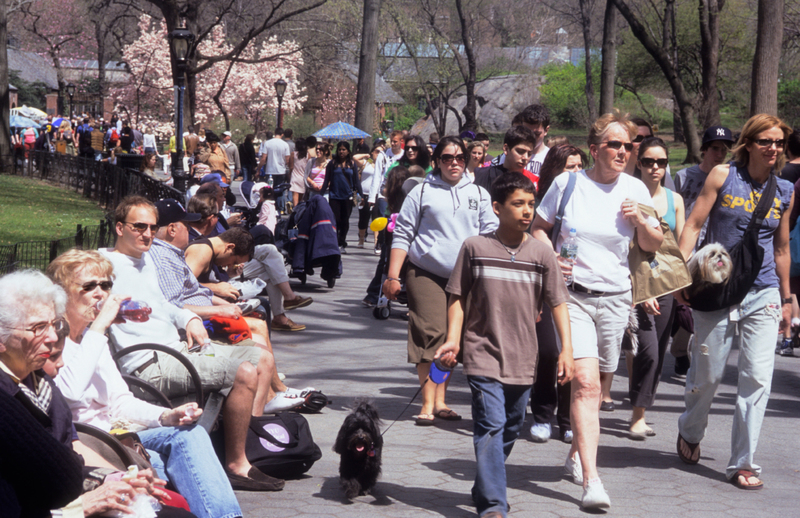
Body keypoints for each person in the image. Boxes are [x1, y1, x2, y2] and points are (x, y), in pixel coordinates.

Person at [98, 195, 288, 491]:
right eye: (138, 227)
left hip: (174, 349)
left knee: (260, 356)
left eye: (151, 227)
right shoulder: (104, 265)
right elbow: (85, 304)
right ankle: (237, 463)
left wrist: (189, 318)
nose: (147, 234)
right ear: (120, 228)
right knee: (246, 370)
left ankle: (247, 444)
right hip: (148, 363)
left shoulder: (145, 260)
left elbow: (164, 303)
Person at [46, 249, 245, 517]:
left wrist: (166, 415)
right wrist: (100, 327)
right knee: (170, 471)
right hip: (91, 448)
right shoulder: (55, 342)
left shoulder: (92, 338)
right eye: (88, 286)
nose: (100, 294)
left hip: (120, 436)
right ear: (61, 293)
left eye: (105, 285)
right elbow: (68, 393)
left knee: (190, 433)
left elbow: (120, 401)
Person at [531, 111, 663, 509]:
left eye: (628, 145)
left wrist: (640, 220)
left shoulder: (636, 187)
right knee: (586, 383)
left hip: (617, 299)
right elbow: (538, 227)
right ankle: (592, 480)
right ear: (595, 149)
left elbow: (655, 243)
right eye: (615, 145)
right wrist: (552, 256)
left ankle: (575, 455)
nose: (624, 151)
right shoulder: (568, 183)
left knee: (598, 385)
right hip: (572, 297)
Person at [434, 173, 573, 518]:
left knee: (511, 425)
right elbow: (457, 297)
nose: (527, 211)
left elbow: (558, 303)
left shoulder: (542, 254)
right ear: (497, 208)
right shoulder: (475, 247)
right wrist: (453, 338)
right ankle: (493, 504)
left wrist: (566, 349)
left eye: (531, 204)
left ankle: (485, 482)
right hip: (482, 353)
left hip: (524, 358)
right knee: (491, 425)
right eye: (518, 204)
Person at [0, 270, 193, 518]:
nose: (51, 337)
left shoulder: (39, 378)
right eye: (37, 328)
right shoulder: (7, 399)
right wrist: (79, 508)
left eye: (53, 324)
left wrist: (117, 478)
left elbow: (71, 448)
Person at [675, 114, 793, 491]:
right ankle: (690, 430)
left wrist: (788, 299)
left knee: (757, 378)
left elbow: (782, 247)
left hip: (764, 291)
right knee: (707, 376)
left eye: (778, 142)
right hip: (718, 288)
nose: (772, 149)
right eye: (765, 141)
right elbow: (694, 224)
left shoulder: (785, 190)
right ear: (749, 143)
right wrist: (678, 273)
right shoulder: (723, 176)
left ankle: (743, 462)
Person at [384, 136, 498, 426]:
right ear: (437, 162)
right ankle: (426, 401)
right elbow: (403, 234)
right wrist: (393, 276)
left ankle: (441, 400)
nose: (455, 163)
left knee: (451, 338)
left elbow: (490, 235)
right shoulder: (421, 192)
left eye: (460, 157)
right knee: (429, 333)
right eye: (448, 158)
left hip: (465, 277)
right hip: (426, 272)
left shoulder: (479, 194)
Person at [624, 137, 685, 440]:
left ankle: (639, 413)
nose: (655, 168)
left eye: (661, 162)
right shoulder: (626, 194)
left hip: (665, 283)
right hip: (631, 280)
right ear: (639, 163)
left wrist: (681, 288)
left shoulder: (674, 199)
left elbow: (681, 247)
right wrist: (641, 290)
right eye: (648, 161)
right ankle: (610, 402)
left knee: (658, 352)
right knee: (645, 349)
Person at [528, 143, 586, 445]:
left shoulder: (591, 199)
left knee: (571, 351)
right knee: (548, 351)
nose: (576, 173)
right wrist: (551, 257)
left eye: (580, 167)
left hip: (577, 289)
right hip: (542, 285)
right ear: (555, 171)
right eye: (569, 167)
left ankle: (566, 419)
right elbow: (534, 232)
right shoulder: (543, 200)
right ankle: (541, 414)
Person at [672, 124, 735, 375]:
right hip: (689, 246)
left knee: (702, 303)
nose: (720, 154)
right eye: (715, 149)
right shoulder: (685, 176)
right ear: (704, 150)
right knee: (685, 303)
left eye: (724, 150)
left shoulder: (729, 178)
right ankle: (679, 351)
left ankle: (695, 355)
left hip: (714, 250)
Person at [321, 141, 363, 252]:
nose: (341, 152)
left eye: (344, 149)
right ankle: (335, 241)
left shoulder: (352, 164)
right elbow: (326, 181)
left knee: (345, 221)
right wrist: (320, 195)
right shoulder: (332, 164)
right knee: (336, 220)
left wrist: (362, 195)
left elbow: (356, 182)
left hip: (347, 197)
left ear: (348, 151)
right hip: (334, 196)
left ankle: (342, 241)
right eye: (339, 149)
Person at [475, 126, 539, 192]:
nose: (525, 157)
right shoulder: (482, 175)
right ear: (506, 149)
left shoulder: (534, 181)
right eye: (520, 151)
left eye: (529, 154)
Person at [491, 104, 550, 175]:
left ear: (546, 130)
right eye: (527, 131)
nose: (532, 137)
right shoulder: (502, 159)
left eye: (537, 134)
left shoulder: (551, 159)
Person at [627, 118, 676, 190]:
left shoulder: (659, 166)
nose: (643, 142)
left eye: (648, 138)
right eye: (638, 138)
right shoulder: (617, 169)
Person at [353, 143, 384, 248]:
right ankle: (361, 239)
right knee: (363, 218)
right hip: (364, 195)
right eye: (377, 151)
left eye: (381, 152)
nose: (379, 154)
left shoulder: (383, 165)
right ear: (372, 152)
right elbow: (354, 158)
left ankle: (376, 242)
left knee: (376, 218)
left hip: (376, 195)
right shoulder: (366, 163)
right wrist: (366, 155)